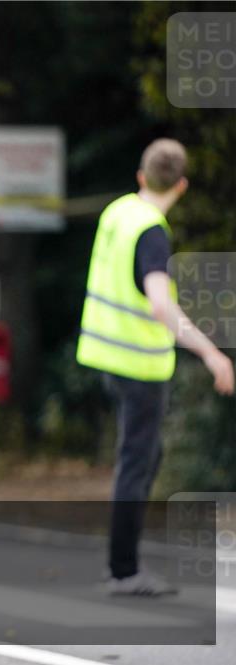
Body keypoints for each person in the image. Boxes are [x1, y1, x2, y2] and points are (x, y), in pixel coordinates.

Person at [76, 138, 235, 596]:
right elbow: (161, 304)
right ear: (181, 186)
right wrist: (210, 352)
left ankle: (122, 566)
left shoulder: (118, 212)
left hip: (105, 355)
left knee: (143, 458)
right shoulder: (151, 231)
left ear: (141, 176)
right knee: (137, 462)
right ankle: (124, 571)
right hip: (139, 364)